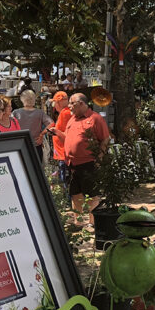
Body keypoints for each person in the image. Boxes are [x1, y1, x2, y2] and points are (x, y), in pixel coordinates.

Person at [57, 93, 110, 222]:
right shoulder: (72, 119)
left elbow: (105, 139)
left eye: (71, 103)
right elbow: (69, 138)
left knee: (92, 195)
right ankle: (79, 221)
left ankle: (93, 222)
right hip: (72, 163)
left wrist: (100, 158)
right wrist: (58, 133)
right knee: (75, 194)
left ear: (81, 103)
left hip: (88, 163)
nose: (69, 106)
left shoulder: (95, 118)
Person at [14, 89, 53, 161]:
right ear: (34, 99)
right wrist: (42, 134)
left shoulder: (16, 113)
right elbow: (51, 123)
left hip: (20, 145)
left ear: (22, 99)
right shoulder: (40, 113)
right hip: (36, 145)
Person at [48, 91, 73, 190]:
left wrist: (54, 131)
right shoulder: (66, 112)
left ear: (58, 103)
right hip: (63, 153)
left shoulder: (65, 113)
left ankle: (68, 200)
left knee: (65, 180)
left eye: (54, 103)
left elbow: (65, 134)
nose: (54, 106)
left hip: (64, 153)